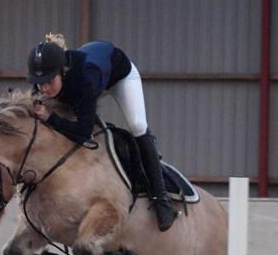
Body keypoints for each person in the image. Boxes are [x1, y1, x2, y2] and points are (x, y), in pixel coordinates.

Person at [27, 34, 175, 231]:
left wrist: (51, 118)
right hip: (91, 75)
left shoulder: (85, 79)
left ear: (61, 72)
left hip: (120, 77)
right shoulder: (44, 82)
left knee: (137, 125)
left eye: (48, 81)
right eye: (39, 82)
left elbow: (83, 133)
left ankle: (160, 197)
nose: (44, 88)